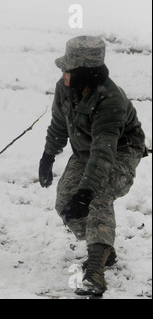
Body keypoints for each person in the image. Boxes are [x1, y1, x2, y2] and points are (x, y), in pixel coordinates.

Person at [38, 36, 148, 296]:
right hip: (86, 149)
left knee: (97, 196)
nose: (62, 73)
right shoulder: (64, 87)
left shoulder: (111, 101)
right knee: (66, 202)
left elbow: (103, 153)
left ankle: (95, 272)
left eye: (68, 69)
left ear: (84, 73)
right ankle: (104, 249)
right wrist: (48, 156)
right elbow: (58, 124)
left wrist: (86, 192)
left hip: (118, 151)